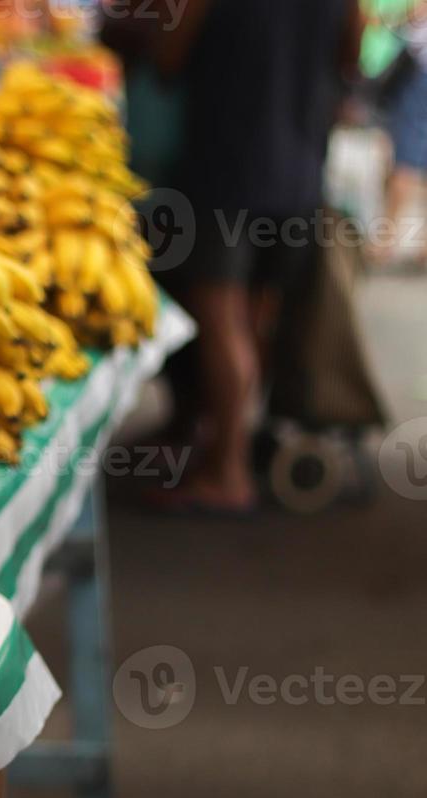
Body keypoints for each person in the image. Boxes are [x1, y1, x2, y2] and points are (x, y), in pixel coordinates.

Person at [106, 0, 364, 514]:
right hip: (298, 174)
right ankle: (224, 443)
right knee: (254, 320)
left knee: (222, 324)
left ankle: (228, 470)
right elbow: (350, 59)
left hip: (224, 171)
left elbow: (167, 61)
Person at [371, 0, 427, 266]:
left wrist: (396, 18)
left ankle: (386, 239)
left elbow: (417, 12)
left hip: (421, 71)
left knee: (406, 155)